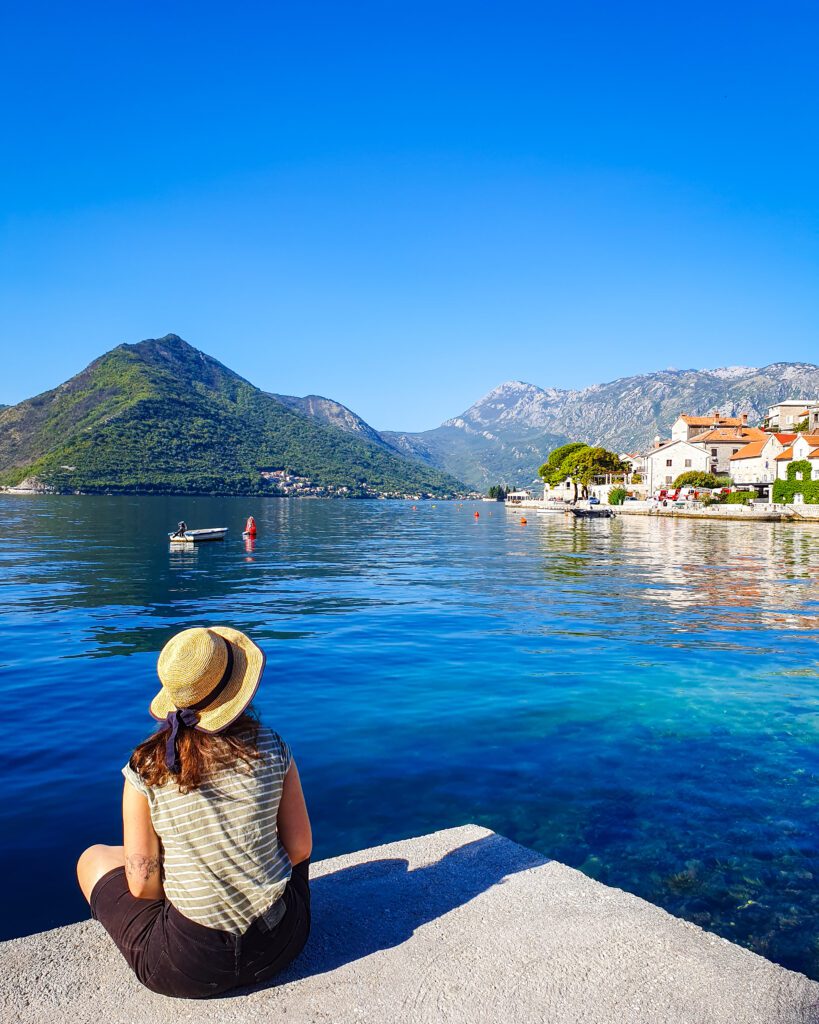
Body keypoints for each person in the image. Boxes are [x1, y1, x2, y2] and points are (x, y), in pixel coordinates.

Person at [76, 626, 312, 998]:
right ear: (237, 688)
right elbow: (299, 848)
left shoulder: (147, 769)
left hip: (190, 967)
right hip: (281, 942)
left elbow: (142, 885)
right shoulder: (272, 746)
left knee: (92, 859)